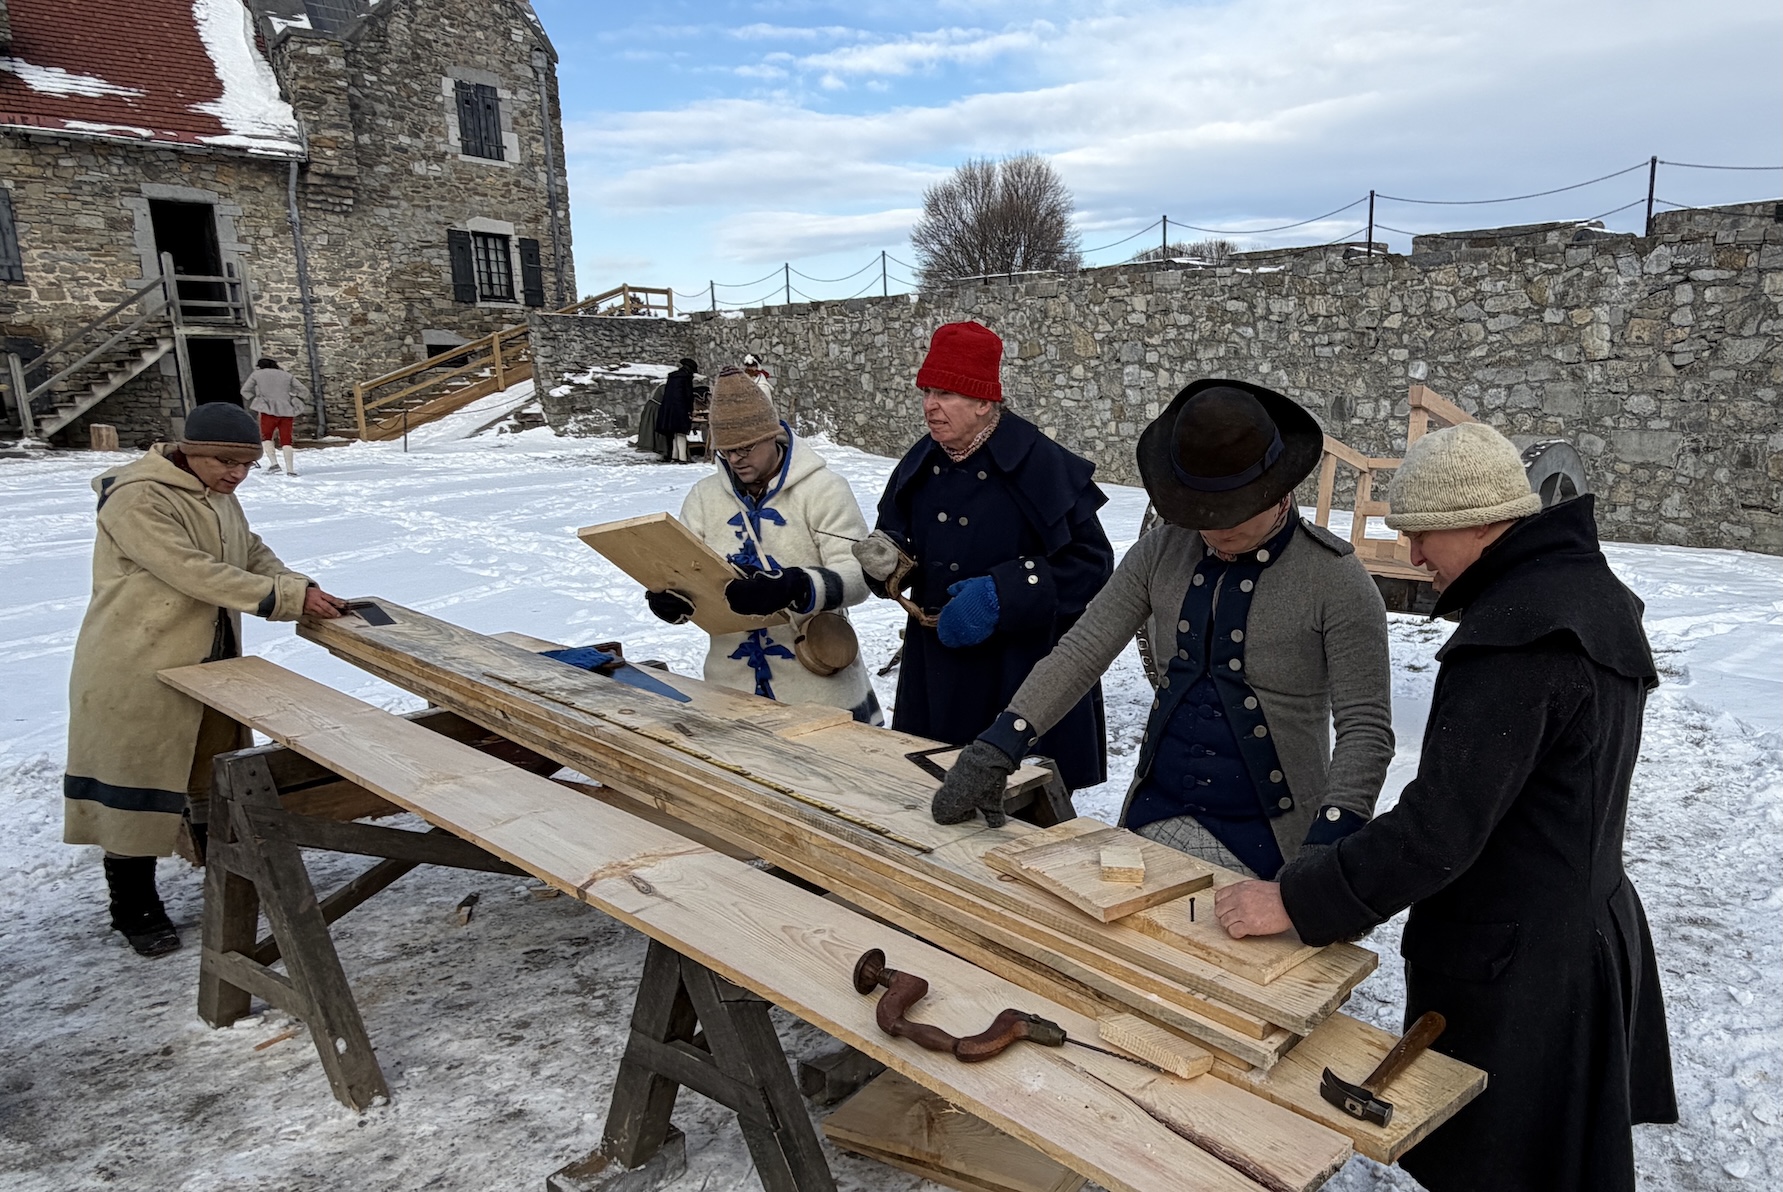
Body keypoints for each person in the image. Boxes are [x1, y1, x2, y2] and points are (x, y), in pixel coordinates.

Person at [1214, 422, 1677, 1191]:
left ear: (1478, 521)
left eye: (1422, 535)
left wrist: (1300, 898)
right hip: (1581, 930)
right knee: (1556, 1163)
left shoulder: (1517, 641)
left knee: (1512, 1167)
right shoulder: (1587, 594)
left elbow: (1440, 829)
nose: (1415, 557)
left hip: (1523, 967)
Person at [926, 380, 1393, 866]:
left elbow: (1365, 727)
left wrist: (1330, 839)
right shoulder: (1161, 551)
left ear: (1280, 489)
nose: (1215, 526)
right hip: (1154, 812)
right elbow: (1083, 651)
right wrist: (1001, 743)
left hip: (1276, 835)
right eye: (1200, 510)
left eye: (1234, 509)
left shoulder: (1336, 579)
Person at [64, 403, 348, 957]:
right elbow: (190, 570)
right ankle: (134, 907)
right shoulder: (139, 497)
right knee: (136, 786)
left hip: (211, 663)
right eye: (225, 462)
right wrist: (284, 599)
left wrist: (298, 584)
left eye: (245, 464)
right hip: (138, 663)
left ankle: (230, 880)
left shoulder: (216, 493)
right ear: (188, 449)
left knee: (211, 781)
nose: (237, 474)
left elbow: (250, 551)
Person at [853, 321, 1114, 810]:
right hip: (939, 675)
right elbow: (898, 540)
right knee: (929, 805)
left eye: (946, 392)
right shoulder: (920, 463)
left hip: (1022, 675)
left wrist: (1003, 593)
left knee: (1024, 820)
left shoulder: (1041, 463)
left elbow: (1093, 564)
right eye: (927, 391)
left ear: (983, 401)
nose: (930, 405)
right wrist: (887, 564)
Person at [646, 368, 882, 724]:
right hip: (731, 692)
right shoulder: (703, 499)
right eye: (726, 451)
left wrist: (799, 585)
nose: (736, 459)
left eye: (745, 447)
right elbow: (689, 573)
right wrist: (673, 602)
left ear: (772, 436)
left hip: (820, 690)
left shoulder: (824, 490)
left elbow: (860, 576)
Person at [239, 356, 309, 476]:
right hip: (286, 410)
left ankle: (274, 464)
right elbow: (304, 391)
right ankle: (290, 469)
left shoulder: (257, 375)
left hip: (267, 410)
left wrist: (256, 400)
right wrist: (294, 397)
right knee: (286, 439)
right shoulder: (286, 375)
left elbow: (245, 390)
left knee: (267, 437)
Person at [656, 357, 697, 463]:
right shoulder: (686, 378)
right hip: (681, 408)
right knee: (681, 432)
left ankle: (675, 456)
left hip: (669, 408)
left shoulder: (672, 377)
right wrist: (690, 410)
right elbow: (688, 395)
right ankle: (682, 457)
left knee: (674, 432)